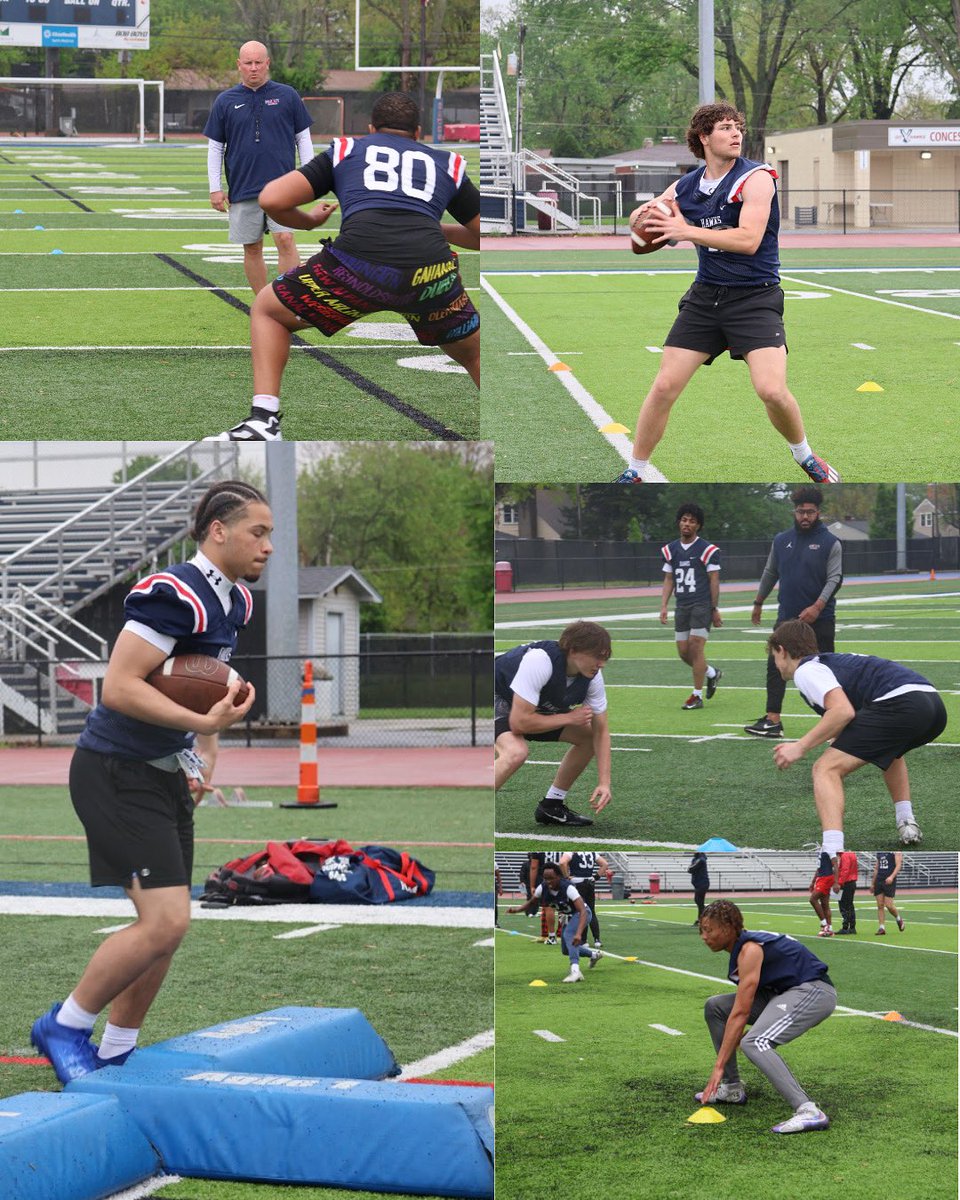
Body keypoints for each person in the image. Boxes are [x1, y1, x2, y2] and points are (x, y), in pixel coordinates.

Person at [30, 482, 269, 1083]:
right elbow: (119, 686)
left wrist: (205, 751)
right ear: (218, 529)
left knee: (167, 929)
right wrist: (200, 723)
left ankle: (116, 1050)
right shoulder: (174, 592)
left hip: (161, 775)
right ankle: (64, 1024)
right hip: (115, 771)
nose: (268, 546)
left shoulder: (234, 601)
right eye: (257, 532)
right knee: (164, 922)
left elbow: (207, 679)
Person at [209, 91, 480, 441]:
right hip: (428, 271)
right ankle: (511, 422)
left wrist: (307, 223)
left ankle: (263, 419)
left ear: (370, 128)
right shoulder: (448, 162)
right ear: (419, 134)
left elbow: (272, 198)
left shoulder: (349, 149)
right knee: (473, 354)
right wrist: (428, 224)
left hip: (357, 265)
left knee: (267, 309)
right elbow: (480, 235)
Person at [614, 102, 839, 486]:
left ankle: (804, 454)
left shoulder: (757, 179)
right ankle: (635, 469)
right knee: (665, 385)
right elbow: (650, 215)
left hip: (755, 297)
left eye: (738, 126)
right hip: (706, 297)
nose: (735, 133)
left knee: (771, 389)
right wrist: (646, 218)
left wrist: (686, 232)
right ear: (704, 137)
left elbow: (749, 240)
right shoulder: (687, 185)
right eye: (724, 127)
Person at [768, 619, 946, 859]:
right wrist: (840, 736)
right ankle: (907, 822)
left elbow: (842, 711)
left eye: (773, 656)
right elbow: (851, 712)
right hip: (932, 703)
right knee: (890, 751)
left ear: (782, 650)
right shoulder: (828, 662)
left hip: (901, 704)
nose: (775, 664)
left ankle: (832, 851)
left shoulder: (806, 670)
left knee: (825, 768)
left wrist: (800, 746)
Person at [697, 899, 835, 1135]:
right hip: (782, 993)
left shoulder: (750, 949)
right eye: (702, 930)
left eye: (709, 930)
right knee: (716, 1007)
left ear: (728, 928)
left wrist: (718, 1066)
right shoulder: (743, 948)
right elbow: (740, 1007)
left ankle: (808, 1110)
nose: (703, 936)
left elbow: (741, 1012)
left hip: (813, 992)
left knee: (755, 1042)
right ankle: (732, 1089)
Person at [204, 42, 313, 296]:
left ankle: (288, 300)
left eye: (258, 62)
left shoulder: (288, 95)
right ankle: (263, 302)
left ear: (267, 63)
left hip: (283, 187)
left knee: (285, 239)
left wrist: (309, 178)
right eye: (248, 63)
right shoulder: (225, 101)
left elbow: (304, 139)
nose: (253, 68)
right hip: (243, 186)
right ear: (239, 65)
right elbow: (215, 148)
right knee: (252, 247)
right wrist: (215, 188)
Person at [744, 487, 843, 738]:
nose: (805, 516)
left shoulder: (831, 542)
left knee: (823, 672)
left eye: (810, 512)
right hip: (786, 618)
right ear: (794, 512)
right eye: (801, 511)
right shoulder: (781, 540)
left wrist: (817, 606)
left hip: (819, 620)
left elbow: (835, 579)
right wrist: (758, 602)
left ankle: (836, 724)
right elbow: (770, 573)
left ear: (818, 512)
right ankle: (772, 720)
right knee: (775, 667)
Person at [494, 620, 613, 827]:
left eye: (605, 658)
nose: (601, 663)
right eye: (597, 656)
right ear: (573, 650)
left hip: (531, 708)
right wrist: (568, 717)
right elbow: (519, 723)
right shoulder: (540, 661)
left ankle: (551, 805)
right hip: (496, 697)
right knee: (515, 752)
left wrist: (604, 782)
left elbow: (600, 732)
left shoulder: (593, 676)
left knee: (588, 736)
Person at [659, 502, 722, 710]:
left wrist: (714, 608)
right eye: (684, 520)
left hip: (701, 604)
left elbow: (714, 579)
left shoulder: (707, 550)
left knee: (696, 647)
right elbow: (669, 579)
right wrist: (664, 605)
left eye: (692, 521)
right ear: (679, 522)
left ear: (698, 526)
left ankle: (696, 695)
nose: (687, 524)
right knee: (684, 652)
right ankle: (712, 673)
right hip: (682, 605)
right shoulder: (671, 549)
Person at [506, 864, 603, 983]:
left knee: (569, 935)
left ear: (559, 877)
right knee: (566, 949)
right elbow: (532, 902)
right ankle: (594, 955)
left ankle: (575, 971)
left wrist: (578, 933)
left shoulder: (568, 888)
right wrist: (517, 910)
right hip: (569, 916)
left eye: (551, 878)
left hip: (582, 913)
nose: (548, 881)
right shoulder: (542, 888)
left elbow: (582, 910)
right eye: (545, 878)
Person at [560, 849, 610, 947]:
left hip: (577, 883)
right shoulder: (592, 852)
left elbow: (562, 862)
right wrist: (596, 877)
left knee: (581, 911)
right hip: (589, 883)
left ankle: (584, 940)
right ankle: (597, 940)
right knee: (592, 911)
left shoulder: (571, 852)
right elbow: (605, 864)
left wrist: (566, 877)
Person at [871, 849, 905, 936]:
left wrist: (892, 877)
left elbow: (898, 865)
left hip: (889, 880)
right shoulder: (879, 851)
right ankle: (881, 928)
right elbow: (877, 867)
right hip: (879, 879)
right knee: (880, 905)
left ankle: (898, 918)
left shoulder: (895, 851)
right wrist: (872, 883)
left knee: (889, 905)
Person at [809, 849, 835, 937]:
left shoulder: (831, 849)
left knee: (813, 899)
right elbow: (819, 868)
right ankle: (830, 928)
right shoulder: (822, 851)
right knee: (825, 904)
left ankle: (824, 924)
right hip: (822, 877)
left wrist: (836, 882)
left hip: (826, 877)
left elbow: (836, 865)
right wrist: (813, 881)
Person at [834, 849, 860, 935]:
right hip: (851, 882)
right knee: (850, 905)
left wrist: (839, 883)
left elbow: (845, 870)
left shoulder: (844, 855)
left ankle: (845, 927)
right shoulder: (851, 854)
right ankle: (852, 927)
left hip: (846, 883)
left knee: (843, 905)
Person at [688, 851, 710, 926]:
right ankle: (701, 919)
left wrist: (690, 867)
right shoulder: (696, 859)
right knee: (699, 902)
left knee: (698, 901)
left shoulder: (700, 860)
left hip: (702, 883)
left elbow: (690, 869)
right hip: (699, 883)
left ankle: (704, 917)